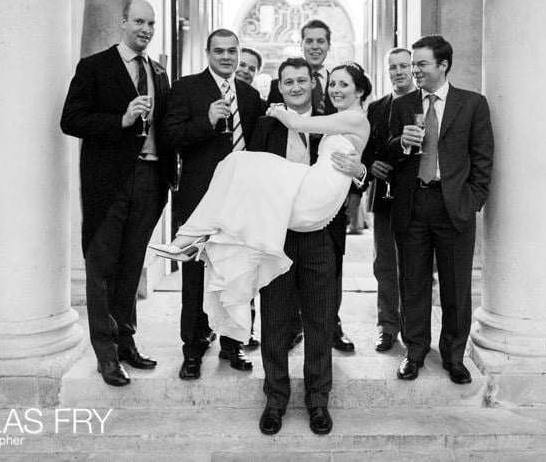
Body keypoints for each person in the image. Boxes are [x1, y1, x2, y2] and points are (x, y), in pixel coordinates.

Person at [152, 60, 370, 435]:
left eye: (304, 80)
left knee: (319, 320)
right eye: (288, 81)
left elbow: (361, 167)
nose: (297, 86)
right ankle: (275, 400)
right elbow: (251, 185)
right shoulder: (266, 125)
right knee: (274, 319)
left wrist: (360, 171)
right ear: (280, 86)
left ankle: (318, 401)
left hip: (318, 232)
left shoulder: (328, 119)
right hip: (275, 230)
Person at [60, 0, 175, 387]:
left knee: (131, 266)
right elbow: (70, 120)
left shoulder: (159, 72)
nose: (145, 29)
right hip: (109, 183)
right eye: (139, 21)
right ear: (122, 21)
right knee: (103, 269)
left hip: (150, 179)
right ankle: (106, 356)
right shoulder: (94, 67)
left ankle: (127, 344)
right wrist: (121, 119)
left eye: (151, 24)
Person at [386, 35, 494, 384]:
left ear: (443, 65)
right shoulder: (403, 105)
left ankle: (453, 357)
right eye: (413, 64)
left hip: (454, 207)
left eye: (421, 64)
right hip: (413, 203)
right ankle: (414, 352)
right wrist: (401, 143)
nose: (413, 70)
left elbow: (483, 159)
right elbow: (386, 151)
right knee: (413, 284)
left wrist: (472, 202)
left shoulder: (472, 104)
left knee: (456, 286)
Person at [162, 29, 264, 380]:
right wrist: (204, 121)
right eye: (219, 50)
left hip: (240, 201)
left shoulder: (250, 97)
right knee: (195, 274)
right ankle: (192, 350)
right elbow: (170, 137)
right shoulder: (186, 88)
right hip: (199, 198)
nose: (226, 57)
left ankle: (232, 344)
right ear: (207, 52)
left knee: (238, 273)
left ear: (239, 54)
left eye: (231, 51)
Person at [267, 19, 356, 353]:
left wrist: (355, 187)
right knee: (284, 274)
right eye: (309, 41)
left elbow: (357, 145)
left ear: (329, 45)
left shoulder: (337, 95)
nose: (315, 46)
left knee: (330, 269)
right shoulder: (283, 100)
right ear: (301, 44)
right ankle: (291, 328)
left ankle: (331, 326)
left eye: (321, 41)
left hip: (328, 204)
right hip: (285, 208)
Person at [362, 47, 417, 352]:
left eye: (404, 66)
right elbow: (365, 146)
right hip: (383, 196)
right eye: (393, 67)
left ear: (414, 69)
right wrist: (370, 164)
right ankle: (387, 326)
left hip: (416, 197)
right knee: (384, 264)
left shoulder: (424, 104)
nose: (398, 72)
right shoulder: (376, 108)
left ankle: (413, 327)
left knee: (413, 265)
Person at [234, 45, 265, 350]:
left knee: (249, 268)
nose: (244, 70)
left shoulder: (256, 102)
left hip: (251, 199)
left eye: (251, 68)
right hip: (219, 194)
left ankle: (247, 329)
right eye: (242, 64)